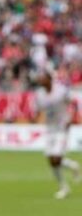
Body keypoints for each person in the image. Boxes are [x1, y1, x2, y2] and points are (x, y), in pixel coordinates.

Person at [34, 71, 80, 199]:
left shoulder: (61, 91)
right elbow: (37, 110)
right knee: (51, 160)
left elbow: (74, 103)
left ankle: (64, 188)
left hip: (62, 127)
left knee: (56, 157)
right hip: (50, 128)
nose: (40, 81)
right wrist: (35, 117)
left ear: (49, 80)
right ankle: (72, 166)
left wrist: (72, 118)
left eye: (42, 78)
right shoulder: (39, 94)